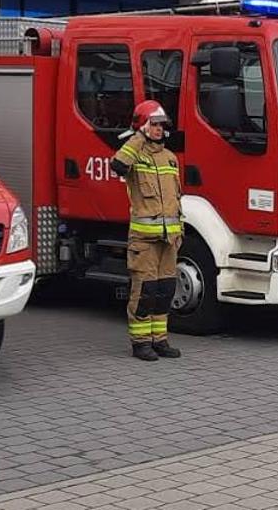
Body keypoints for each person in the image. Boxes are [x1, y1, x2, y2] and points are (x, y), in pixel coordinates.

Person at [110, 100, 183, 361]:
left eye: (162, 125)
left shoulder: (171, 158)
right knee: (145, 292)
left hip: (169, 239)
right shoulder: (134, 155)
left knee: (165, 290)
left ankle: (160, 340)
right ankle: (140, 343)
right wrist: (137, 138)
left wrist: (179, 233)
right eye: (154, 124)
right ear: (143, 126)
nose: (160, 130)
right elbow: (117, 165)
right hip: (144, 240)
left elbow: (176, 198)